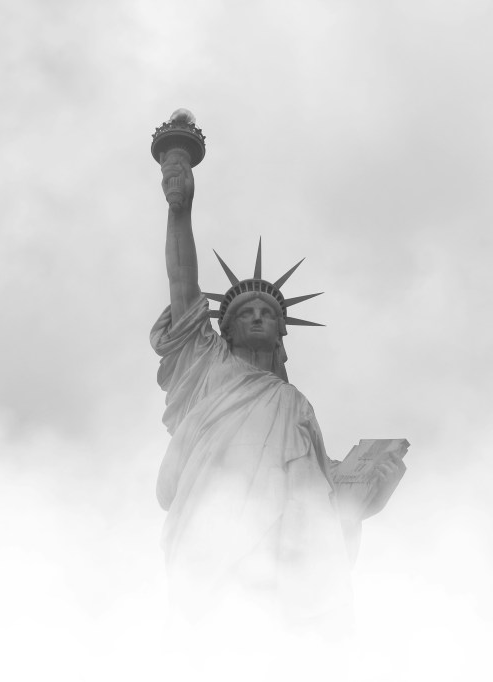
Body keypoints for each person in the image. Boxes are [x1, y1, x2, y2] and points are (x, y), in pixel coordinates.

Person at [151, 147, 405, 637]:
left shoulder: (294, 404)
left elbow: (322, 489)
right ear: (225, 329)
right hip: (214, 516)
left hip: (290, 550)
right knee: (219, 628)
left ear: (280, 332)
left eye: (267, 314)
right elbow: (182, 287)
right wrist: (179, 208)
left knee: (285, 634)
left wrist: (368, 494)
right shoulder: (208, 367)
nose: (257, 317)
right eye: (245, 313)